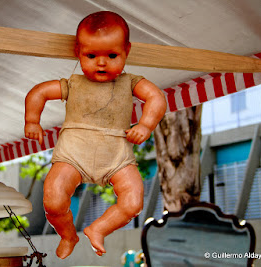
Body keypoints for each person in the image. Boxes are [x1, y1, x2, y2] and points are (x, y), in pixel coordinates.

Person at [24, 11, 167, 259]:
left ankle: (99, 228)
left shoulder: (130, 82)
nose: (101, 63)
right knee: (53, 200)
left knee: (133, 203)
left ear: (127, 50)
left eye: (112, 56)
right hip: (73, 154)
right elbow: (39, 92)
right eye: (91, 56)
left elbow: (156, 97)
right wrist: (32, 120)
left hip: (117, 156)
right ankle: (68, 234)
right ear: (77, 52)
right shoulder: (74, 83)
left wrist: (145, 125)